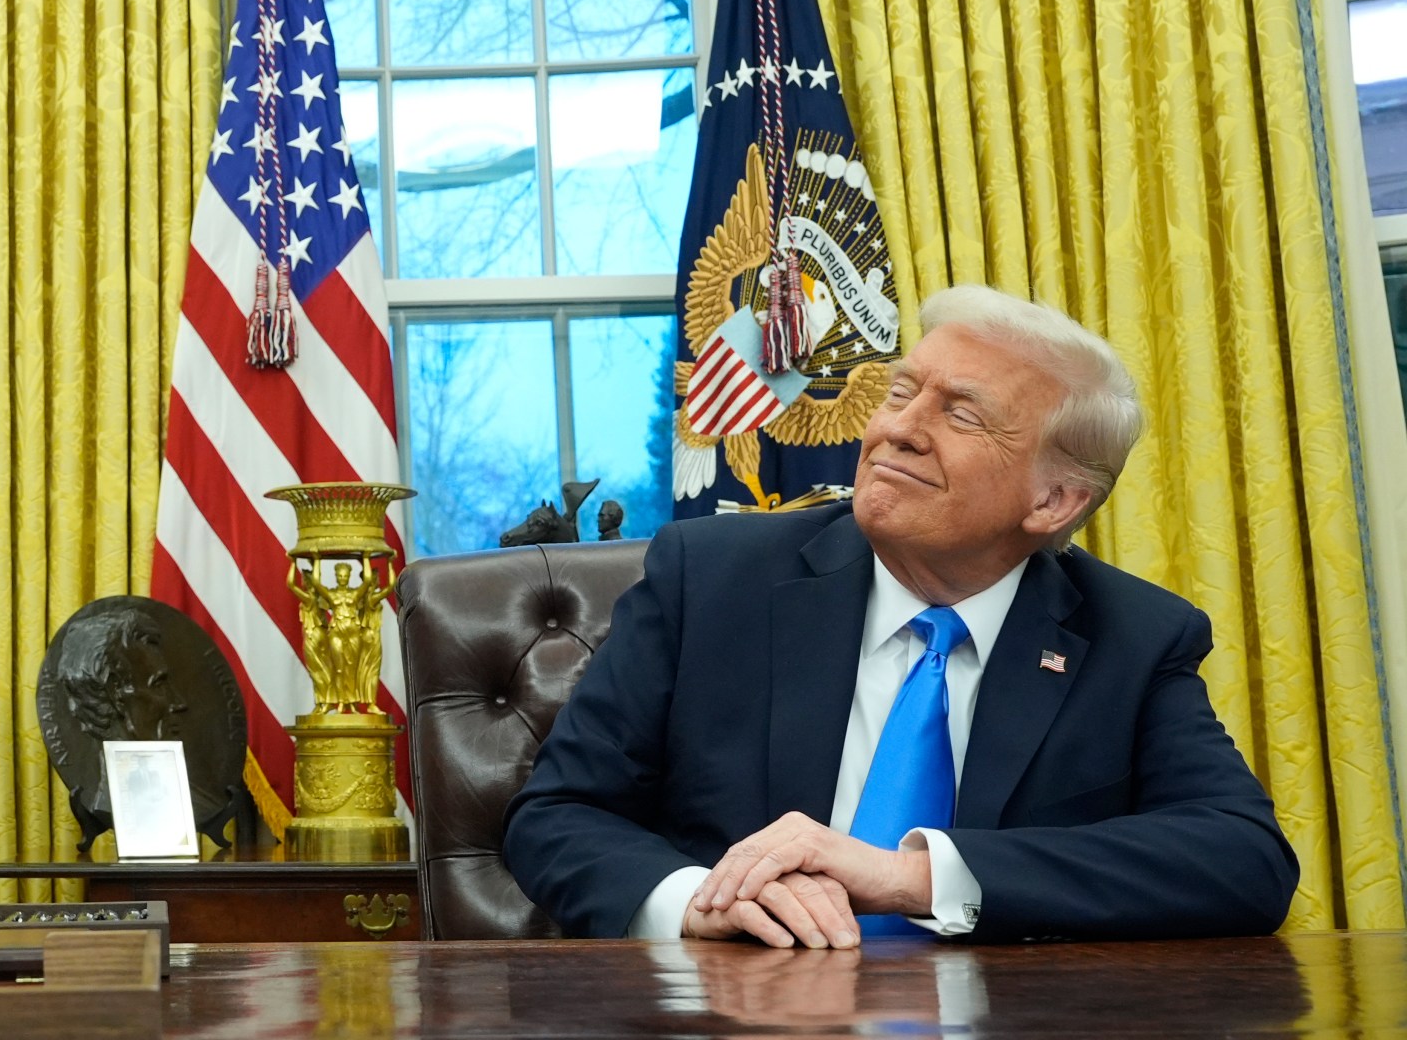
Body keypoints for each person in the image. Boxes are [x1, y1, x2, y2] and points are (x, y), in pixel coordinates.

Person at [502, 285, 1296, 945]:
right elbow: (559, 814)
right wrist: (704, 901)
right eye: (902, 392)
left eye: (961, 414)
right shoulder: (710, 581)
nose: (897, 431)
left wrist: (913, 876)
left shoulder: (1132, 637)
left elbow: (1245, 860)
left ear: (1054, 500)